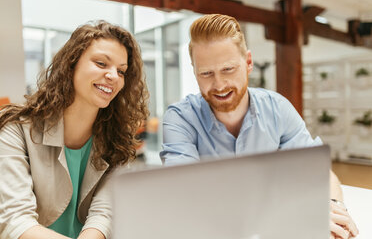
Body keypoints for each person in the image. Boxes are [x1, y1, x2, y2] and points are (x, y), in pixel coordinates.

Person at [160, 14, 358, 239]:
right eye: (206, 73)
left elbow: (319, 171)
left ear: (249, 62)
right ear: (195, 72)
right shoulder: (180, 119)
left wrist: (332, 207)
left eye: (228, 69)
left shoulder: (277, 109)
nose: (219, 85)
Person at [0, 21, 148, 239]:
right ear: (71, 64)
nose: (113, 76)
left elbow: (103, 214)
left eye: (121, 71)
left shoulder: (118, 139)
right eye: (101, 63)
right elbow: (15, 220)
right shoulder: (16, 129)